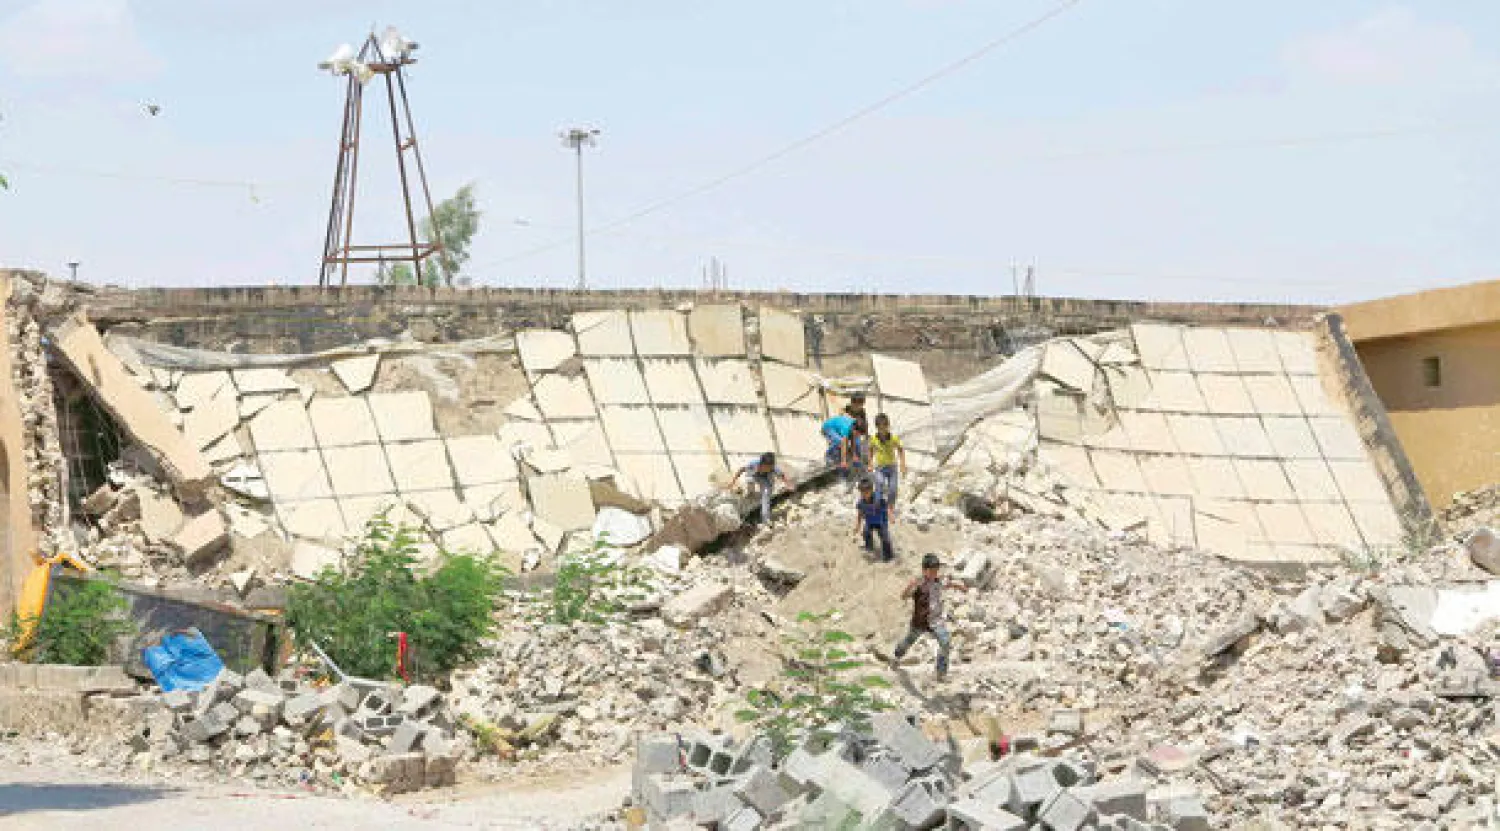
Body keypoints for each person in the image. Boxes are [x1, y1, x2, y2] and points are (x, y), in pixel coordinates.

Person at [892, 553, 964, 680]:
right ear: (924, 570)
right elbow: (903, 596)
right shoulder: (918, 584)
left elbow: (947, 584)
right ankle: (896, 657)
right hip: (920, 622)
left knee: (945, 642)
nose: (935, 573)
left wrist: (959, 586)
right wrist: (910, 587)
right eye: (932, 571)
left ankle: (940, 673)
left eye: (936, 570)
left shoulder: (938, 581)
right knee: (908, 641)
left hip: (936, 622)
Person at [727, 452, 793, 523]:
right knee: (748, 479)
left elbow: (781, 475)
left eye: (770, 467)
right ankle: (751, 494)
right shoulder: (753, 464)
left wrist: (788, 484)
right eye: (767, 467)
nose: (769, 469)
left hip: (765, 479)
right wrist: (732, 482)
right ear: (761, 464)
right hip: (754, 475)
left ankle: (765, 518)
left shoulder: (773, 468)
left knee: (766, 494)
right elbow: (741, 470)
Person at [870, 413, 907, 512]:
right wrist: (870, 463)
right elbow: (871, 450)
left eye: (885, 427)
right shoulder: (874, 439)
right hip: (880, 468)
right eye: (880, 428)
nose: (883, 430)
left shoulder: (893, 438)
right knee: (880, 484)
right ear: (877, 427)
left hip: (892, 467)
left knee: (893, 489)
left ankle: (890, 508)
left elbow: (900, 450)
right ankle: (877, 506)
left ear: (888, 426)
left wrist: (903, 464)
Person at [853, 477, 894, 561]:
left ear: (872, 490)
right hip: (870, 522)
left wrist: (890, 516)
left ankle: (888, 556)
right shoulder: (861, 502)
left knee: (884, 537)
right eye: (862, 493)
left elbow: (887, 507)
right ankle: (869, 547)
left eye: (867, 492)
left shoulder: (878, 499)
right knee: (865, 532)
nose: (865, 495)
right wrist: (857, 526)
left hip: (881, 522)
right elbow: (859, 514)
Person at [843, 419, 871, 485]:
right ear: (854, 430)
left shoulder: (856, 427)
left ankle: (858, 469)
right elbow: (843, 445)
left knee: (857, 444)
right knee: (840, 443)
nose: (859, 435)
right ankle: (830, 455)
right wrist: (843, 461)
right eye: (858, 434)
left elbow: (853, 441)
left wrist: (854, 455)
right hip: (829, 428)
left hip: (849, 431)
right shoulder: (845, 430)